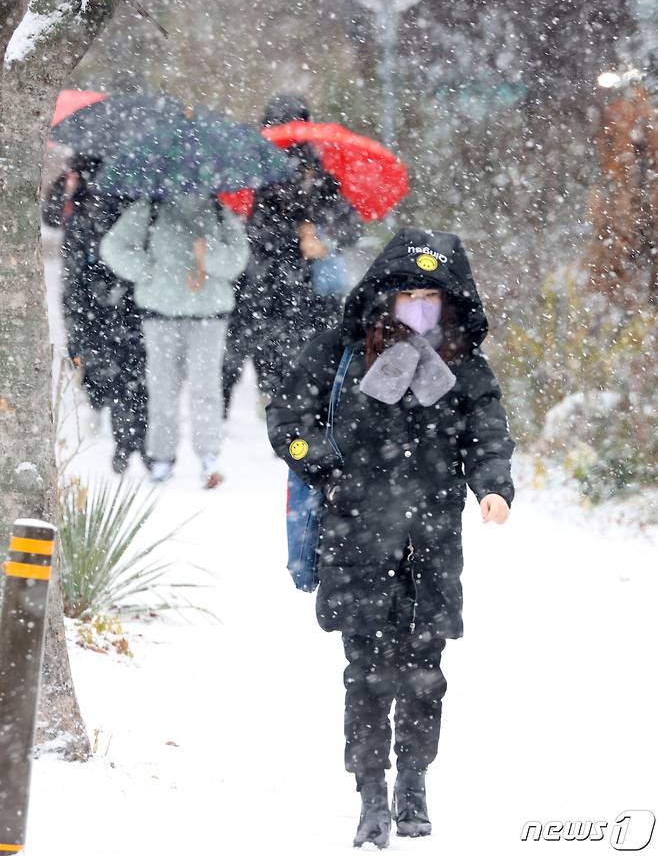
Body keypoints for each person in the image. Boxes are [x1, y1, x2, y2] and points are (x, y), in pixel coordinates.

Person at [267, 228, 515, 848]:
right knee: (368, 670)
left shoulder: (464, 366)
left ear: (452, 303)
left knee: (425, 669)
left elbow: (487, 433)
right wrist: (325, 463)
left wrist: (493, 486)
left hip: (432, 538)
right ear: (384, 296)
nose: (419, 308)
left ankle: (414, 784)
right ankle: (371, 794)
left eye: (432, 297)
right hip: (355, 534)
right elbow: (288, 414)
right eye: (408, 295)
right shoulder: (343, 351)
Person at [222, 93, 362, 414]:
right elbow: (351, 223)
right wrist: (317, 236)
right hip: (302, 288)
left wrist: (319, 237)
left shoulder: (255, 170)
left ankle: (276, 401)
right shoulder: (318, 172)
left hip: (268, 285)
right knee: (306, 354)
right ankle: (292, 407)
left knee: (269, 350)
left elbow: (255, 231)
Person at [100, 193, 248, 488]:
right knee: (162, 388)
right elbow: (113, 247)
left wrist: (209, 254)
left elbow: (237, 260)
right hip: (161, 314)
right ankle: (162, 457)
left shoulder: (219, 212)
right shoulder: (150, 209)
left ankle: (208, 458)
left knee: (205, 389)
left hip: (209, 315)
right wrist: (149, 270)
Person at [43, 156, 149, 474]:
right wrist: (65, 183)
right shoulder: (76, 188)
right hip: (81, 288)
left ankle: (127, 434)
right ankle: (98, 400)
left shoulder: (124, 185)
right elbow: (50, 217)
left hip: (116, 291)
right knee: (86, 350)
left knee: (125, 365)